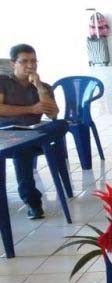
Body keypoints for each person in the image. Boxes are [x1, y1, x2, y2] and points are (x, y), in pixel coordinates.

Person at [0, 44, 66, 219]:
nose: (30, 65)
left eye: (33, 61)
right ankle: (33, 203)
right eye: (24, 61)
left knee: (60, 124)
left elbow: (53, 113)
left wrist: (38, 86)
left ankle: (32, 202)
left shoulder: (43, 86)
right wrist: (31, 109)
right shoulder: (3, 82)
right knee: (23, 148)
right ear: (13, 63)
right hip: (10, 133)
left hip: (34, 132)